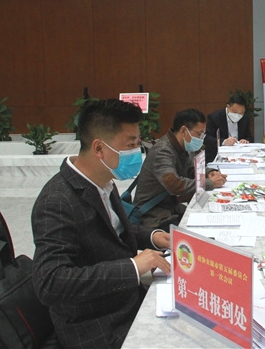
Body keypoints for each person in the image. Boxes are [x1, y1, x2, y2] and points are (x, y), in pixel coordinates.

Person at [31, 99, 171, 349]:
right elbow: (50, 282)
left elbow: (112, 229)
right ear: (99, 148)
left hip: (126, 298)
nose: (136, 152)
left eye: (138, 144)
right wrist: (132, 267)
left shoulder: (104, 181)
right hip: (99, 323)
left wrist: (153, 237)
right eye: (130, 145)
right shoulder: (58, 200)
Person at [134, 108, 227, 231]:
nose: (201, 138)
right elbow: (174, 184)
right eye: (199, 134)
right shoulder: (163, 151)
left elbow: (190, 170)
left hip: (170, 205)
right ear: (183, 130)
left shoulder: (182, 146)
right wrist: (209, 183)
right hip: (153, 213)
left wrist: (209, 173)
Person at [204, 93, 254, 163]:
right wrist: (224, 142)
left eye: (241, 113)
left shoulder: (245, 119)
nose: (238, 115)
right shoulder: (214, 117)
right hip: (218, 155)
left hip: (239, 156)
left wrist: (245, 140)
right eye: (235, 112)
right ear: (228, 107)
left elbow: (249, 137)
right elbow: (207, 138)